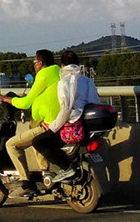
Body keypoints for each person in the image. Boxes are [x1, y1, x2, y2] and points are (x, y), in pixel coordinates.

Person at [0, 49, 60, 196]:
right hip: (60, 122)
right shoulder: (57, 72)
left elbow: (26, 103)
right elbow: (39, 95)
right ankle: (45, 174)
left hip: (48, 123)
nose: (34, 65)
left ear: (41, 63)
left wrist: (6, 99)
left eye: (35, 62)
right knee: (36, 141)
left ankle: (25, 183)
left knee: (11, 144)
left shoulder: (43, 75)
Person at [32, 50, 100, 182]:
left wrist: (52, 127)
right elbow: (95, 102)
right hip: (87, 127)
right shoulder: (88, 81)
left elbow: (66, 110)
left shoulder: (63, 82)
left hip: (72, 127)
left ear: (62, 65)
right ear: (78, 64)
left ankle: (67, 167)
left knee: (38, 142)